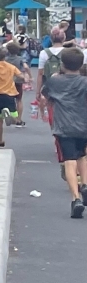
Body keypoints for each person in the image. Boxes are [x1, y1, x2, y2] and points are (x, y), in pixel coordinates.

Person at [42, 47, 87, 218]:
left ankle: (76, 198)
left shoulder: (55, 82)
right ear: (81, 64)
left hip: (64, 127)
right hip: (84, 125)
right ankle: (85, 185)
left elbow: (45, 98)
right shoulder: (85, 82)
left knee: (69, 161)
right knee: (82, 156)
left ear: (62, 64)